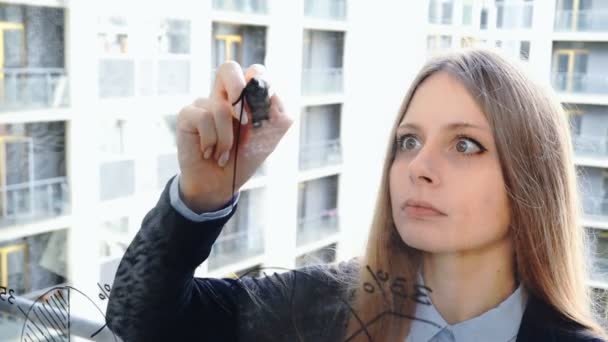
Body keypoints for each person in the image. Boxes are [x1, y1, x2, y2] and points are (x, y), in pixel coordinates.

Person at [106, 48, 608, 341]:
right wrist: (201, 198)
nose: (419, 167)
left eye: (465, 144)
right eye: (408, 141)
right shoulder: (329, 303)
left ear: (531, 180)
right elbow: (140, 320)